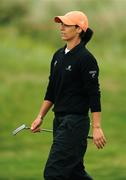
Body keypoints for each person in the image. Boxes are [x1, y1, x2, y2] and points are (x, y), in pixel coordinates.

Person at [31, 11, 106, 180]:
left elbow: (94, 94)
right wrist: (40, 116)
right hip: (59, 120)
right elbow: (52, 89)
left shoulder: (86, 59)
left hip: (75, 123)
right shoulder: (58, 56)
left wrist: (97, 127)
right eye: (60, 24)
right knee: (74, 173)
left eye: (66, 24)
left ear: (79, 29)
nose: (61, 28)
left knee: (53, 173)